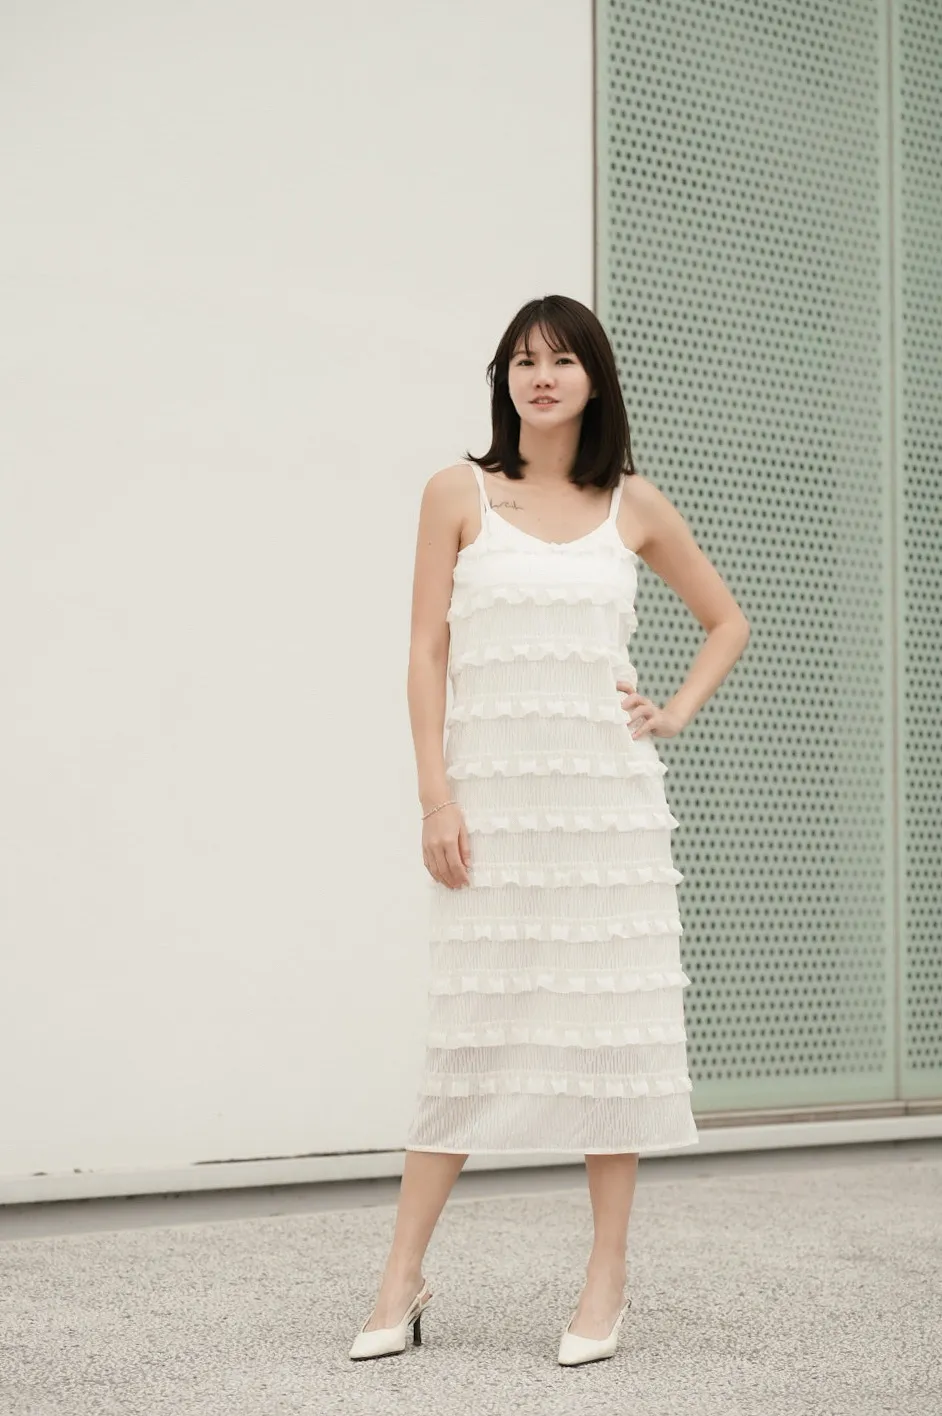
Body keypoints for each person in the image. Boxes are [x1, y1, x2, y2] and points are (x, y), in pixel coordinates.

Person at [349, 295, 750, 1365]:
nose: (541, 376)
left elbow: (727, 620)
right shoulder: (457, 492)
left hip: (607, 813)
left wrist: (672, 711)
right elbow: (425, 652)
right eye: (523, 360)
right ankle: (401, 1278)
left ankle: (606, 1278)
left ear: (593, 380)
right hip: (491, 808)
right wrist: (436, 796)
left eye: (562, 360)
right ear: (505, 380)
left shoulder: (633, 504)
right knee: (467, 1036)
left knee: (608, 1040)